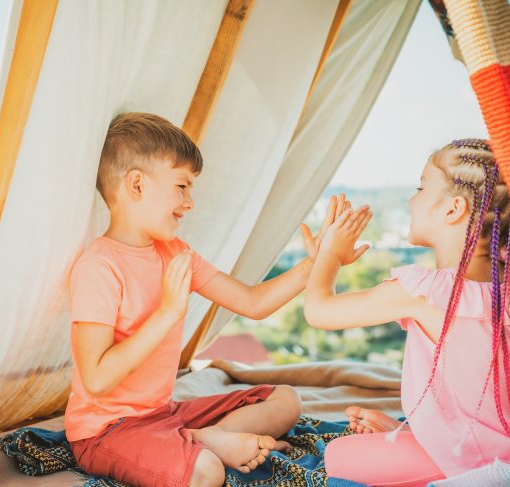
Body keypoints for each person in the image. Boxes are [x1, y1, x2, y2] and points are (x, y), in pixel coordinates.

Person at [304, 139, 510, 486]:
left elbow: (318, 310)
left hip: (482, 463)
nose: (411, 198)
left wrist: (329, 254)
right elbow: (488, 405)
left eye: (421, 187)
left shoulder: (424, 292)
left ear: (452, 209)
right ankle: (418, 439)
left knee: (336, 458)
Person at [67, 112, 336, 487]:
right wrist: (166, 313)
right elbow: (95, 380)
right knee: (206, 471)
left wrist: (315, 262)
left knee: (286, 400)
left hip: (164, 415)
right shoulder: (98, 266)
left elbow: (253, 303)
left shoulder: (177, 254)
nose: (190, 202)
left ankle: (203, 439)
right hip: (106, 432)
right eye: (182, 186)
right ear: (137, 185)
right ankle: (205, 447)